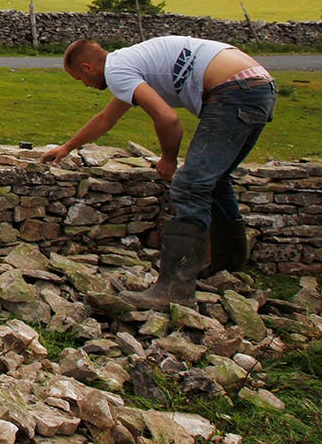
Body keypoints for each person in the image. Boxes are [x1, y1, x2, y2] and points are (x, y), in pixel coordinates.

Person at [41, 36, 277, 308]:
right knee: (214, 179)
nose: (85, 85)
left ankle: (174, 289)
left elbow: (168, 118)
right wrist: (68, 147)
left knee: (189, 185)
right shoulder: (130, 61)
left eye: (79, 79)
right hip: (258, 85)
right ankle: (228, 266)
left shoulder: (117, 71)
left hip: (233, 90)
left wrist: (168, 159)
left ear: (87, 67)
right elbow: (107, 118)